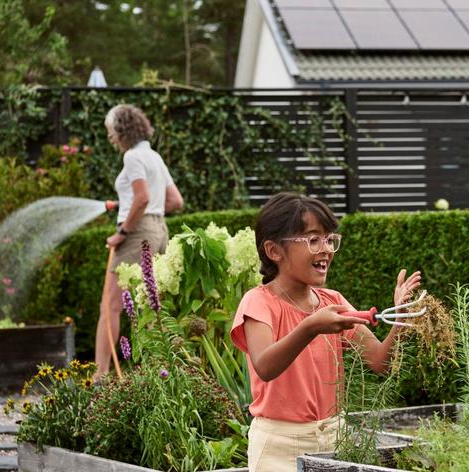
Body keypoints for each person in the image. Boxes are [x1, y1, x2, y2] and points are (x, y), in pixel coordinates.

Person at [230, 192, 421, 472]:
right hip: (278, 445)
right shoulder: (258, 302)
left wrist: (400, 319)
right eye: (313, 239)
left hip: (334, 439)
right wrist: (310, 327)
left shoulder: (333, 301)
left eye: (330, 239)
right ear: (274, 251)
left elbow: (380, 361)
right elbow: (265, 366)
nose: (327, 249)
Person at [94, 104, 184, 381]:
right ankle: (160, 372)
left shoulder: (133, 157)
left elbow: (142, 198)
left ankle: (100, 378)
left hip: (137, 233)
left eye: (111, 131)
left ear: (121, 131)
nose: (110, 137)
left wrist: (124, 230)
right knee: (152, 304)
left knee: (110, 305)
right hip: (159, 229)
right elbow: (175, 202)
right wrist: (133, 209)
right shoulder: (154, 156)